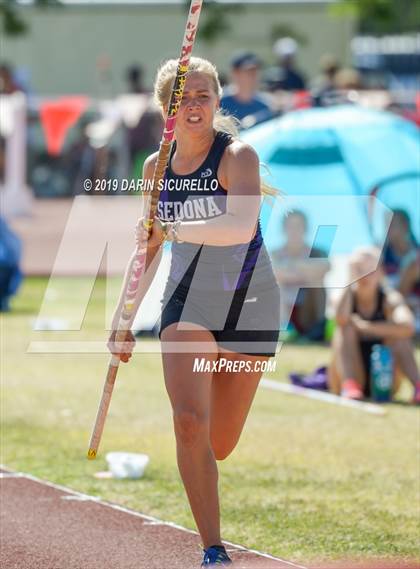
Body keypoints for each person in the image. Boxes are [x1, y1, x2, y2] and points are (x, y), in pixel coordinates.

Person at [107, 57, 280, 566]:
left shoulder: (238, 157)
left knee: (219, 443)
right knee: (188, 423)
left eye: (204, 95)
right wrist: (123, 317)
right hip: (189, 301)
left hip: (249, 301)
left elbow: (240, 227)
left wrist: (174, 227)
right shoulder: (154, 169)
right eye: (183, 97)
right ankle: (213, 549)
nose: (194, 105)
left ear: (217, 101)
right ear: (166, 109)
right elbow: (148, 248)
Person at [329, 247, 420, 404]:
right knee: (346, 329)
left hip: (383, 380)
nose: (365, 275)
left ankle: (417, 386)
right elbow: (341, 319)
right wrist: (350, 281)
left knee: (399, 337)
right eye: (359, 269)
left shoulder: (389, 297)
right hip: (348, 375)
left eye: (370, 269)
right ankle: (350, 385)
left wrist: (365, 327)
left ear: (380, 272)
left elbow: (407, 326)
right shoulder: (342, 295)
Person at [272, 211, 330, 340]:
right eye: (290, 226)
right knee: (274, 283)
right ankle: (283, 328)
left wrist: (290, 268)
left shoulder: (318, 252)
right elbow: (273, 273)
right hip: (283, 308)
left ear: (305, 228)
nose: (294, 230)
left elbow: (325, 268)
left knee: (316, 282)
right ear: (284, 229)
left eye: (298, 226)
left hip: (307, 309)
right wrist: (304, 271)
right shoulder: (274, 253)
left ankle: (316, 329)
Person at [382, 209, 419, 323]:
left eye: (392, 224)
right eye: (386, 224)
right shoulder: (380, 255)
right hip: (391, 304)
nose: (388, 228)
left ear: (405, 226)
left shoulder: (416, 254)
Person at [220, 51, 274, 128]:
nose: (254, 75)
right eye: (249, 71)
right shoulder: (219, 103)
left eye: (256, 71)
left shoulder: (265, 106)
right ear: (235, 73)